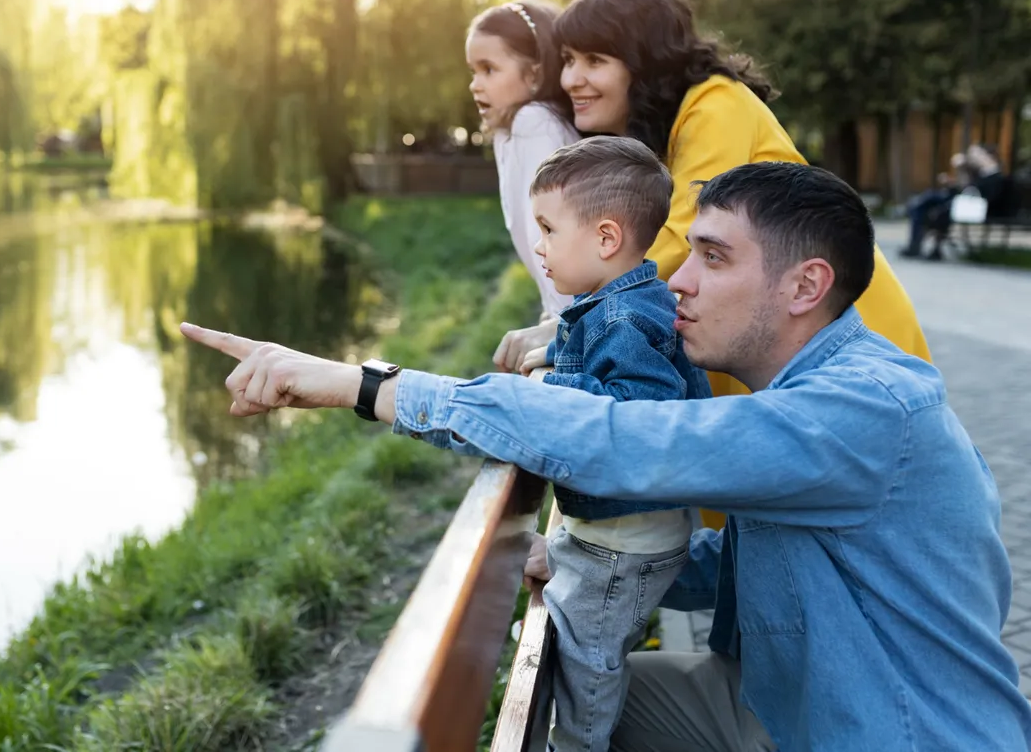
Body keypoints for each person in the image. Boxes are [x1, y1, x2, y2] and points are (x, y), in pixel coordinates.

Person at [180, 162, 1031, 751]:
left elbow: (626, 439)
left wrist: (363, 384)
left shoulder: (866, 409)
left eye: (712, 256)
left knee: (575, 707)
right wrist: (579, 553)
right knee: (562, 693)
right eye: (686, 250)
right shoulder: (807, 398)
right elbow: (757, 558)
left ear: (805, 287)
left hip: (895, 732)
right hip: (781, 707)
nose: (678, 283)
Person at [493, 0, 929, 391]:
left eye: (595, 61)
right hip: (781, 335)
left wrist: (581, 318)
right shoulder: (658, 136)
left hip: (838, 334)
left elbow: (679, 236)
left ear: (645, 64)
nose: (571, 79)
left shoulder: (715, 104)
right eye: (568, 60)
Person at [516, 136, 711, 751]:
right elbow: (611, 363)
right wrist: (557, 351)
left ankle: (575, 746)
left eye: (548, 229)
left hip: (623, 542)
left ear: (605, 239)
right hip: (619, 534)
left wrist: (554, 379)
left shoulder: (623, 318)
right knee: (579, 649)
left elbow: (641, 415)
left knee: (587, 667)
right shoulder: (626, 303)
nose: (539, 247)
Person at [466, 0, 580, 321]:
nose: (475, 85)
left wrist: (561, 318)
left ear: (534, 74)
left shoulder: (535, 123)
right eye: (473, 71)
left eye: (489, 69)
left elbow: (550, 234)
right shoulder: (510, 130)